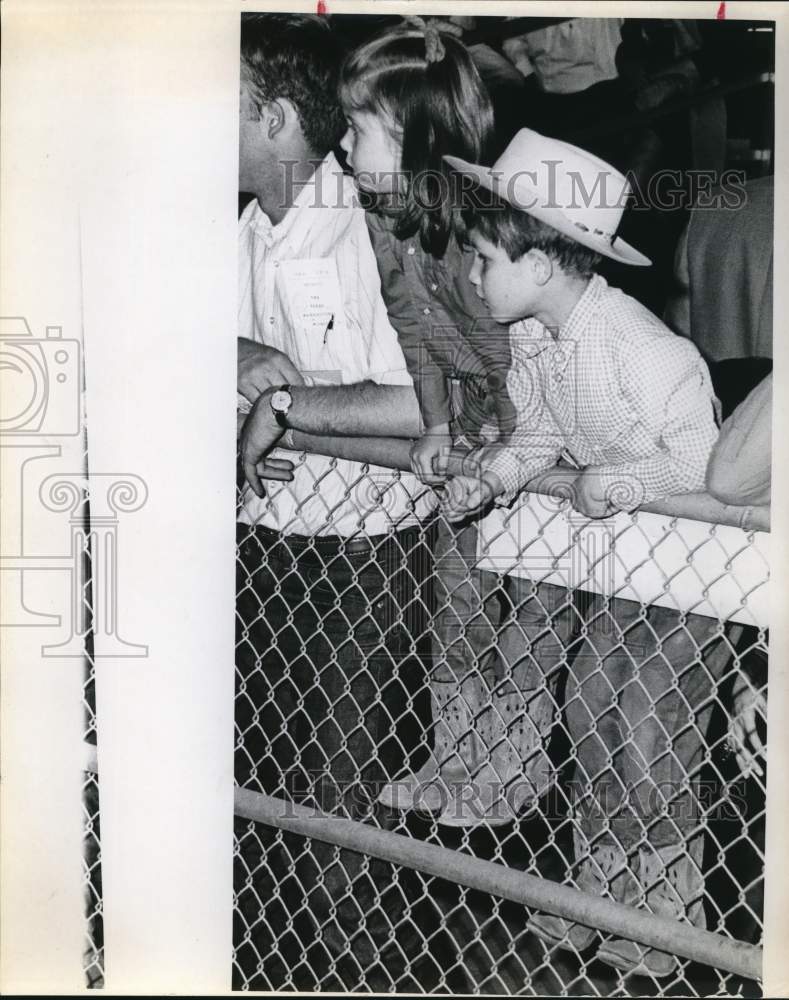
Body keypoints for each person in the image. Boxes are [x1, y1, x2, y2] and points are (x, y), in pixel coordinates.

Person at [441, 128, 731, 977]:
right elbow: (536, 436)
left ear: (539, 264)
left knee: (649, 721)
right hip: (626, 564)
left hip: (699, 566)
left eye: (481, 256)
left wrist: (624, 480)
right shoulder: (540, 339)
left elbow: (707, 463)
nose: (469, 273)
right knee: (587, 708)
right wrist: (492, 476)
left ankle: (666, 914)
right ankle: (599, 892)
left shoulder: (641, 346)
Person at [235, 14, 437, 991]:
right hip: (272, 543)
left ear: (273, 117)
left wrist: (282, 406)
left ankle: (376, 975)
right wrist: (236, 361)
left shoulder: (368, 227)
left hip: (366, 556)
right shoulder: (243, 226)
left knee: (337, 807)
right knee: (268, 795)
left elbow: (417, 402)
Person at [337, 19, 560, 827]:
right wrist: (436, 427)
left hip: (540, 431)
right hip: (472, 434)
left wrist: (503, 446)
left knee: (529, 609)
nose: (343, 143)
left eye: (358, 128)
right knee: (457, 601)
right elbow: (412, 330)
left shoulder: (480, 235)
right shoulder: (385, 219)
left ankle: (511, 769)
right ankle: (455, 754)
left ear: (416, 137)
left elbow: (526, 361)